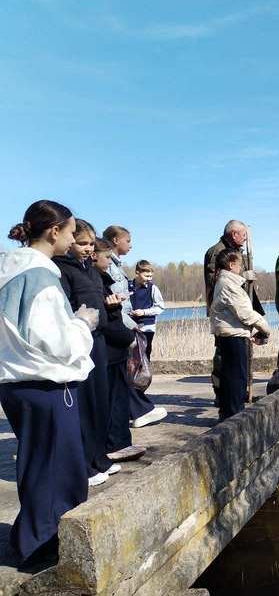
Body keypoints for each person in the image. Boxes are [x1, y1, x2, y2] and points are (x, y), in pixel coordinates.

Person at [0, 200, 97, 564]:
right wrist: (83, 322)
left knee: (37, 465)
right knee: (60, 472)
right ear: (54, 231)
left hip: (14, 382)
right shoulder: (39, 276)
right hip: (46, 384)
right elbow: (57, 343)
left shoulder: (9, 269)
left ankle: (27, 539)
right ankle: (42, 547)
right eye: (71, 233)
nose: (73, 240)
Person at [53, 220, 119, 487]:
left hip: (98, 341)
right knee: (84, 405)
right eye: (82, 243)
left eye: (91, 243)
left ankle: (98, 456)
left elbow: (98, 301)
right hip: (81, 341)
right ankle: (84, 463)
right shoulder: (62, 270)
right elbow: (65, 308)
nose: (88, 248)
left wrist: (110, 309)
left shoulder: (90, 270)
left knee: (100, 402)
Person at [101, 226, 167, 428]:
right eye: (128, 240)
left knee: (123, 371)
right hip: (119, 324)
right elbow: (115, 300)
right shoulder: (109, 266)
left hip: (124, 322)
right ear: (115, 240)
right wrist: (131, 325)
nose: (131, 245)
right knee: (122, 370)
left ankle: (135, 410)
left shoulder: (115, 265)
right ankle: (140, 410)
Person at [93, 239, 147, 463]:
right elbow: (103, 319)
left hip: (114, 348)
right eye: (107, 257)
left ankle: (120, 443)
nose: (110, 262)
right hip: (110, 349)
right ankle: (115, 445)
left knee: (118, 399)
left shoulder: (99, 279)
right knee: (113, 401)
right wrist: (128, 335)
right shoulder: (94, 281)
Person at [209, 249, 270, 421]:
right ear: (231, 265)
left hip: (230, 334)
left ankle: (228, 414)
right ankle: (234, 417)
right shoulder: (229, 285)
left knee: (231, 376)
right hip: (233, 336)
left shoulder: (225, 282)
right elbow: (245, 314)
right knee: (237, 378)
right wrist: (265, 328)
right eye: (240, 265)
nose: (241, 267)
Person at [203, 221, 262, 402]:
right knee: (224, 356)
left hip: (238, 308)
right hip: (225, 313)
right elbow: (217, 281)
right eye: (243, 235)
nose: (245, 239)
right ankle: (223, 395)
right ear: (234, 234)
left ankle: (239, 392)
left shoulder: (237, 251)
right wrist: (243, 277)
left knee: (241, 355)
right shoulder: (218, 252)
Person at [127, 260, 165, 361]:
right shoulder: (127, 286)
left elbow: (160, 307)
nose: (149, 279)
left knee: (145, 352)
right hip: (130, 325)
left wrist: (144, 312)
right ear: (137, 273)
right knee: (130, 353)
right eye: (146, 276)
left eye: (151, 276)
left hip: (147, 326)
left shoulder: (153, 288)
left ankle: (145, 370)